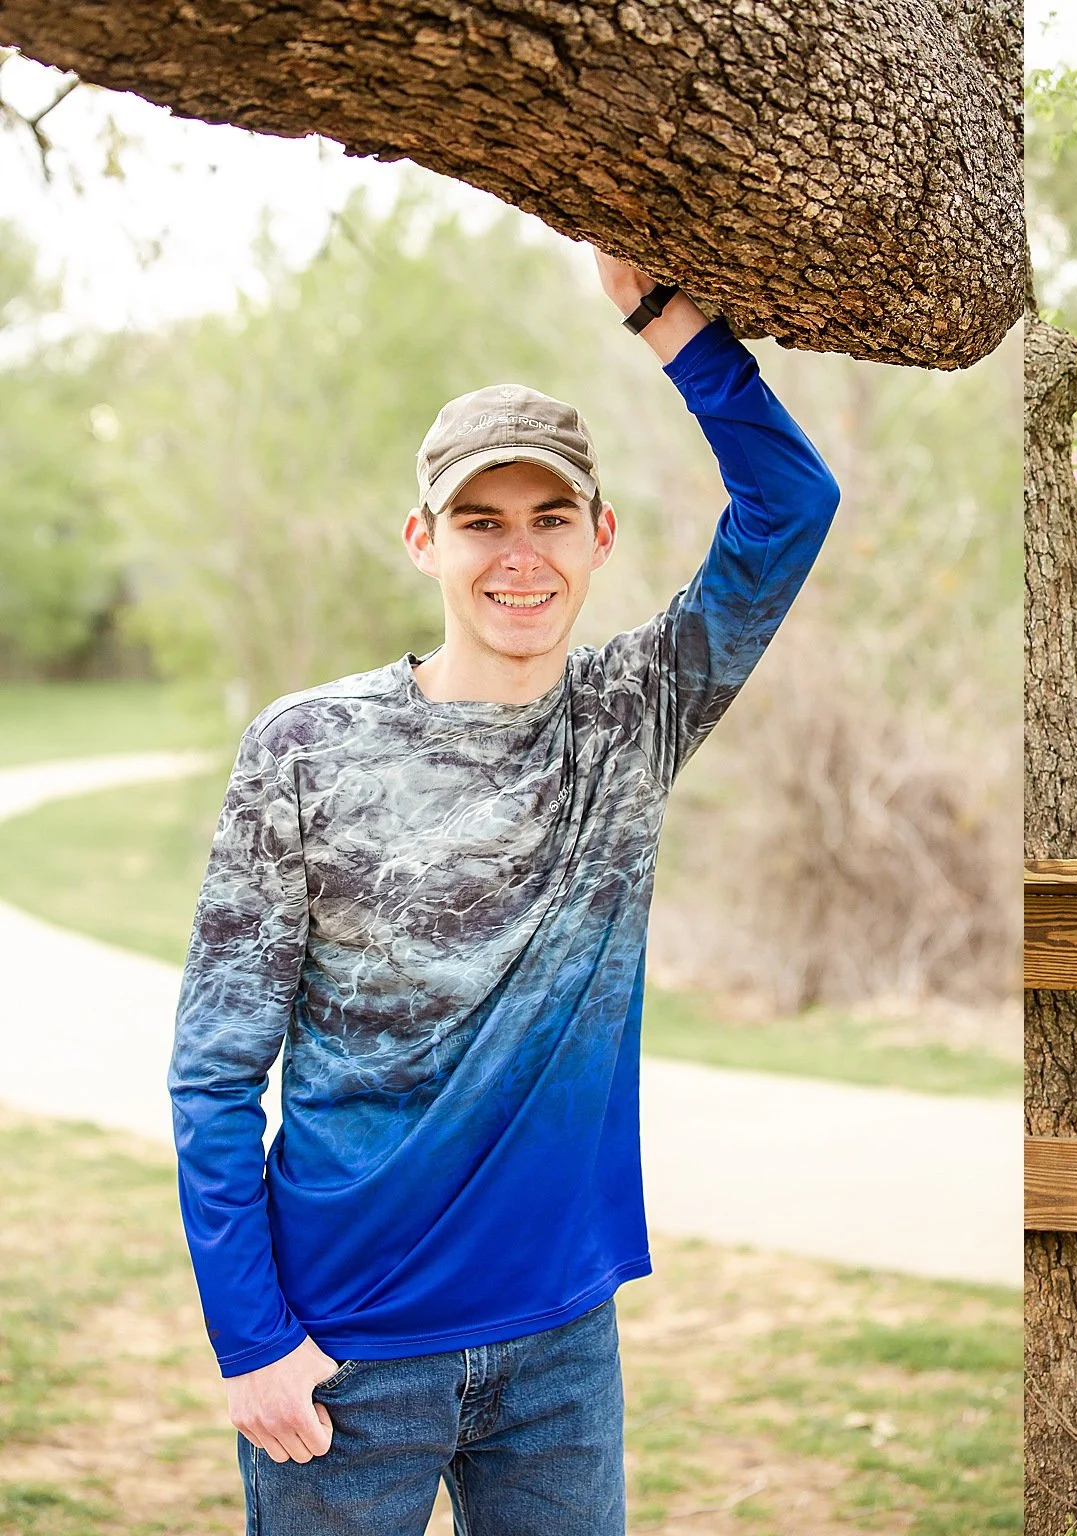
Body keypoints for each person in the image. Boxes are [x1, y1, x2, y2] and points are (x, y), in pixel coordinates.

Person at [167, 251, 839, 1533]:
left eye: (548, 519)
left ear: (599, 539)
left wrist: (664, 320)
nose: (516, 556)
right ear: (424, 539)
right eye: (481, 520)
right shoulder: (304, 748)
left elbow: (790, 504)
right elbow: (212, 1070)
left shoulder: (635, 715)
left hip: (558, 1354)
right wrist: (249, 1342)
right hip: (342, 1352)